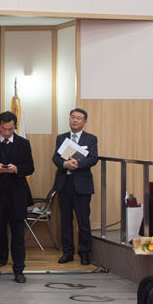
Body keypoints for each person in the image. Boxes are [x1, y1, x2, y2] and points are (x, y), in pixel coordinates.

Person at [0, 111, 35, 282]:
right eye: (4, 129)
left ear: (15, 127)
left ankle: (19, 271)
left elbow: (30, 168)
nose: (7, 132)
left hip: (17, 195)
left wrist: (17, 169)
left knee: (18, 235)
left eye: (10, 129)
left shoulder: (23, 143)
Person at [52, 108, 98, 265]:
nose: (75, 120)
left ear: (85, 121)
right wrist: (65, 164)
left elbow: (93, 158)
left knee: (83, 221)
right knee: (65, 220)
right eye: (73, 117)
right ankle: (68, 252)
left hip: (82, 185)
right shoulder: (62, 138)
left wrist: (77, 164)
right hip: (64, 183)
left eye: (79, 118)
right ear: (69, 119)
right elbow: (56, 157)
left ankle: (84, 253)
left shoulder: (91, 139)